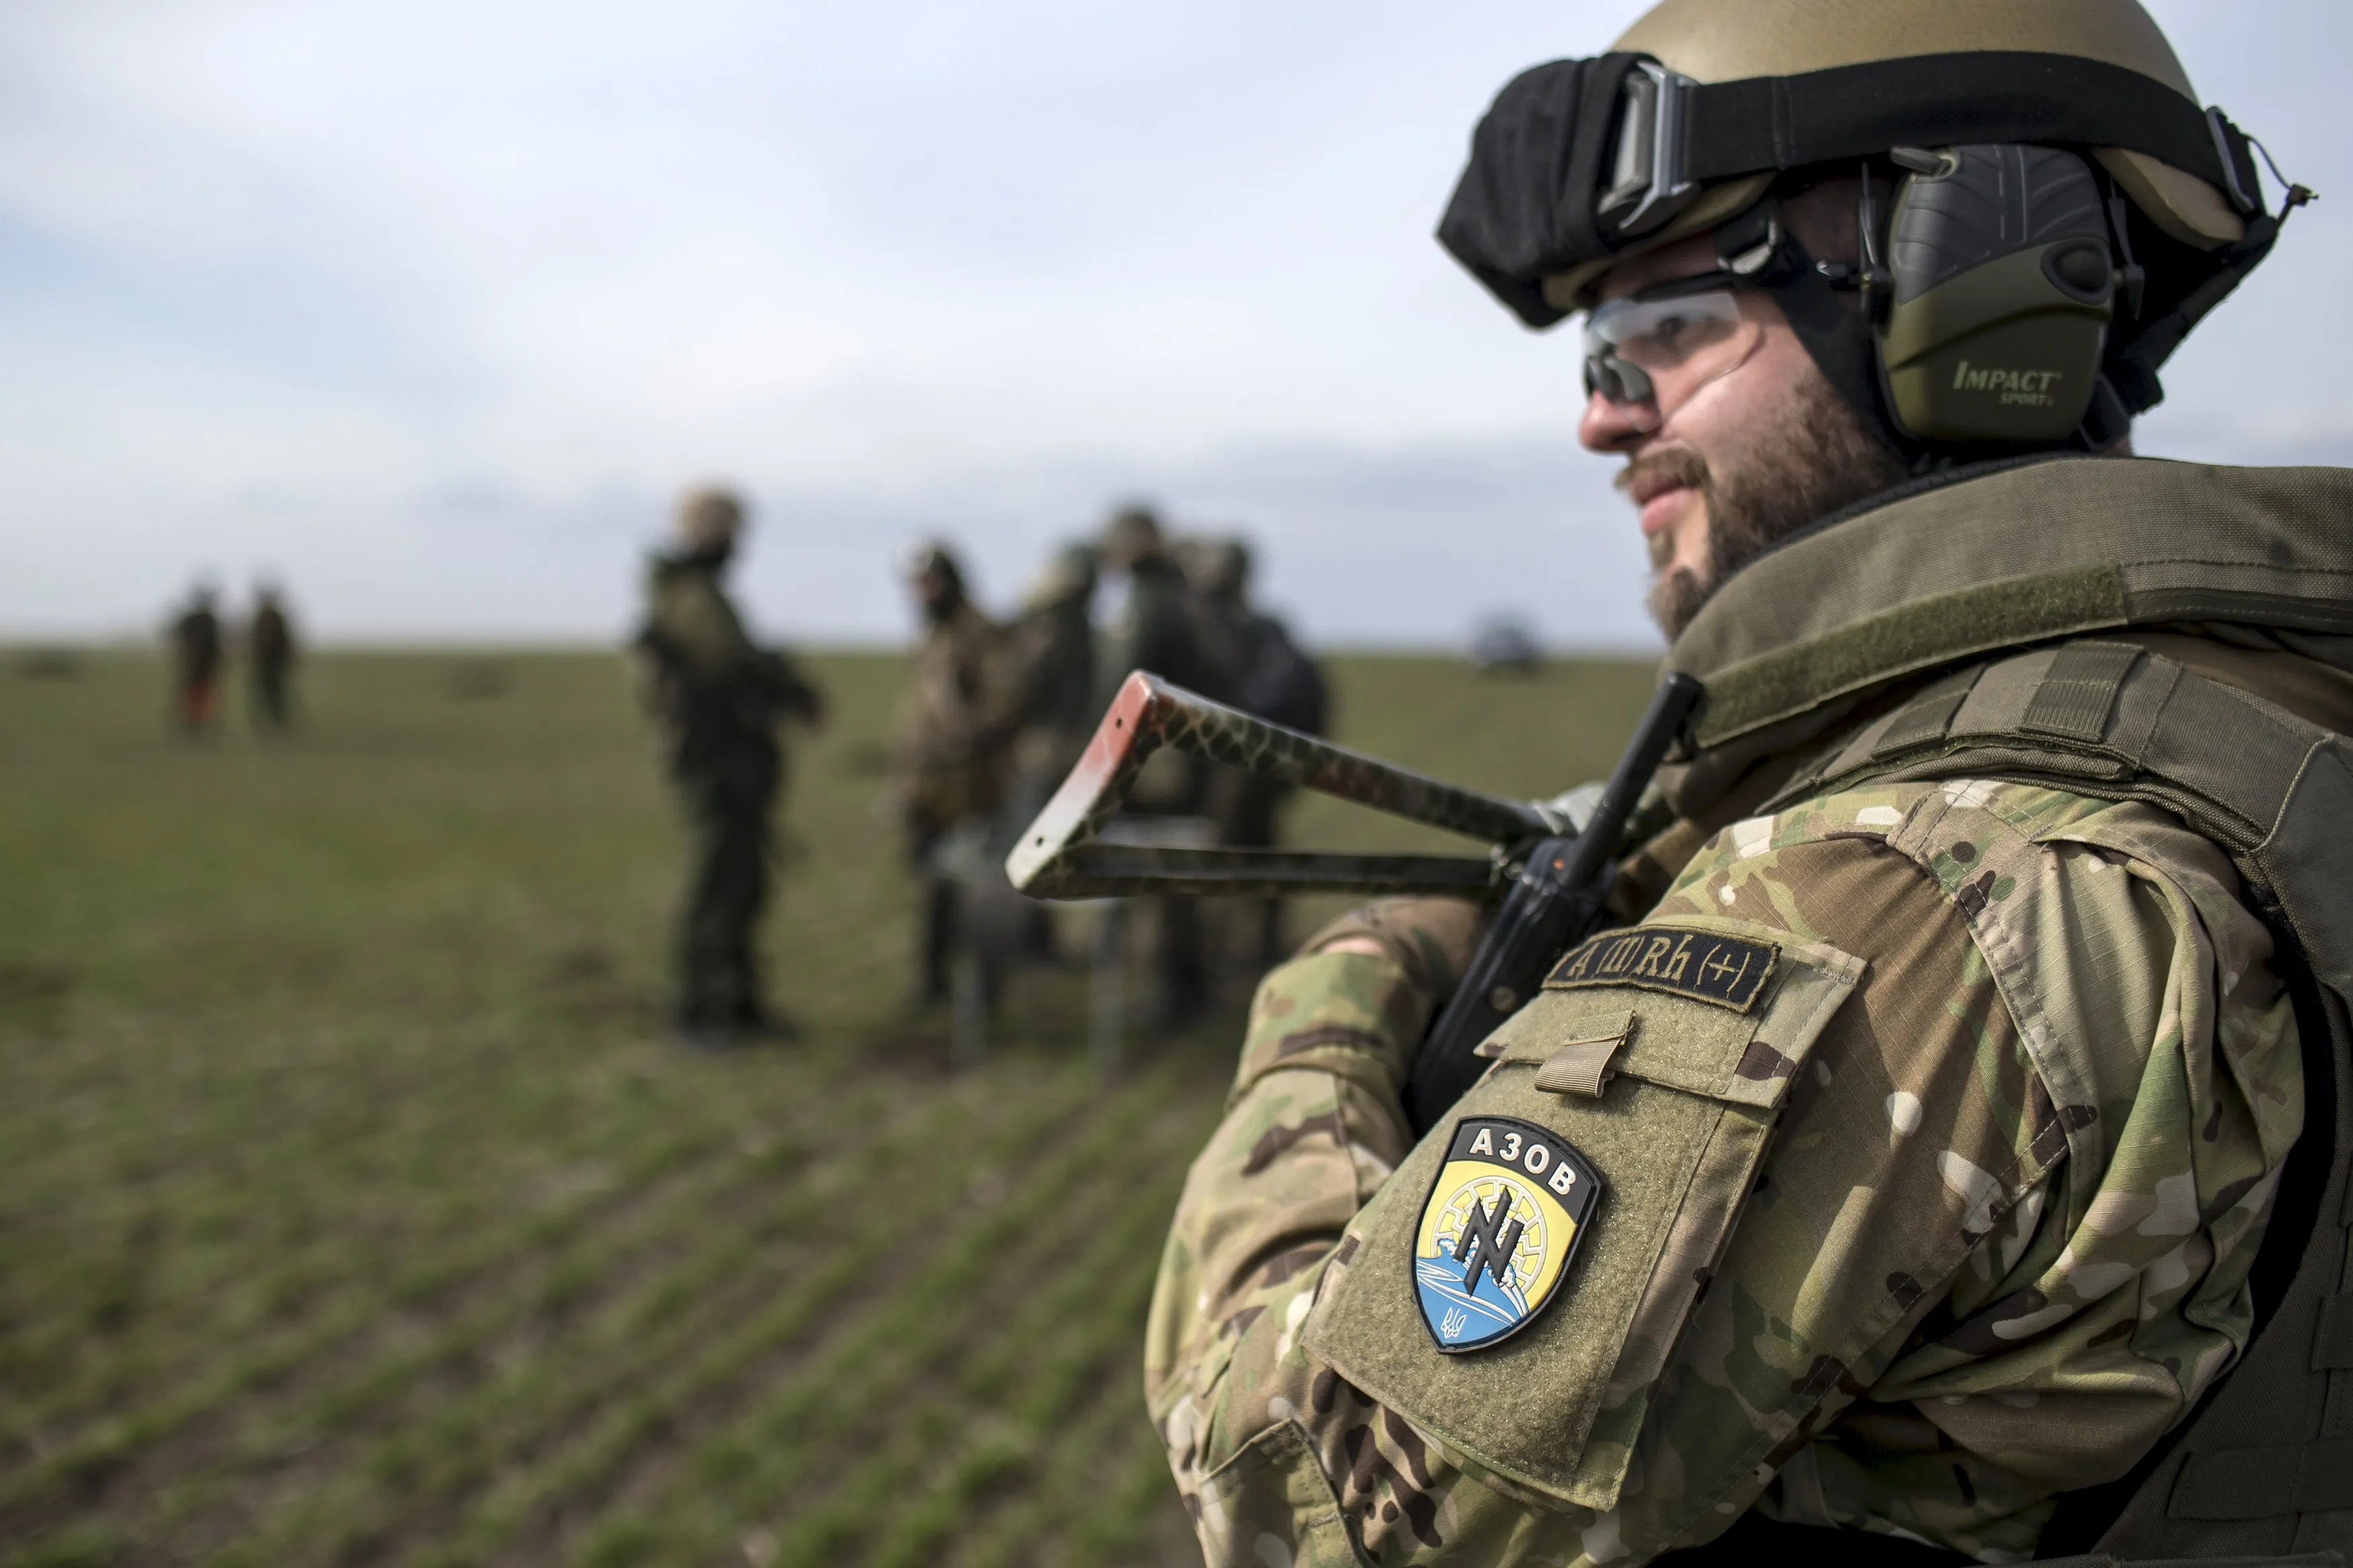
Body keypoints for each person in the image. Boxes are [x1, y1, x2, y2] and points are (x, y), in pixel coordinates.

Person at [1144, 5, 2343, 1565]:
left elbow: (1304, 1494)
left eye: (1666, 323)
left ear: (1962, 285)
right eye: (1598, 348)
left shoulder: (1906, 895)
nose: (1600, 412)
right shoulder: (2263, 723)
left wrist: (1342, 1002)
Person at [634, 486, 825, 1046]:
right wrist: (785, 686)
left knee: (743, 883)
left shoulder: (699, 593)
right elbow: (726, 664)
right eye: (729, 529)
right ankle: (698, 1012)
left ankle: (738, 1006)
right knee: (718, 886)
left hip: (734, 760)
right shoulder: (690, 596)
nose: (737, 543)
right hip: (717, 762)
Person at [1094, 505, 1239, 1030]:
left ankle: (1180, 991)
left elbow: (1125, 684)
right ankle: (1186, 985)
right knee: (1179, 877)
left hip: (1163, 768)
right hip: (1187, 763)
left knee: (1166, 876)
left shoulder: (1151, 603)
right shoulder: (1184, 597)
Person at [1182, 536, 1329, 966]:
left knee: (1219, 865)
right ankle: (1252, 951)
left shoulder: (1220, 628)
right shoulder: (1265, 629)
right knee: (1256, 865)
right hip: (1261, 765)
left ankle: (1221, 955)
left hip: (1231, 771)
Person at [889, 540, 1016, 1009]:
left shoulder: (980, 633)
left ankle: (984, 992)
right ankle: (933, 981)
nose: (923, 592)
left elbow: (1001, 706)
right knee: (933, 886)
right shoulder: (931, 636)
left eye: (931, 581)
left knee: (979, 892)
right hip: (929, 787)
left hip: (972, 787)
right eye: (916, 583)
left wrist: (969, 738)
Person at [167, 581, 225, 737]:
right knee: (194, 696)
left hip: (201, 666)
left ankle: (196, 724)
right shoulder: (204, 620)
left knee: (200, 696)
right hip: (198, 666)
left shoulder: (206, 621)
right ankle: (193, 724)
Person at [247, 583, 297, 734]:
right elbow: (254, 639)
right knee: (263, 694)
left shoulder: (275, 617)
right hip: (263, 664)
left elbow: (286, 640)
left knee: (277, 694)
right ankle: (266, 723)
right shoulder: (262, 618)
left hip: (275, 663)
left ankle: (279, 722)